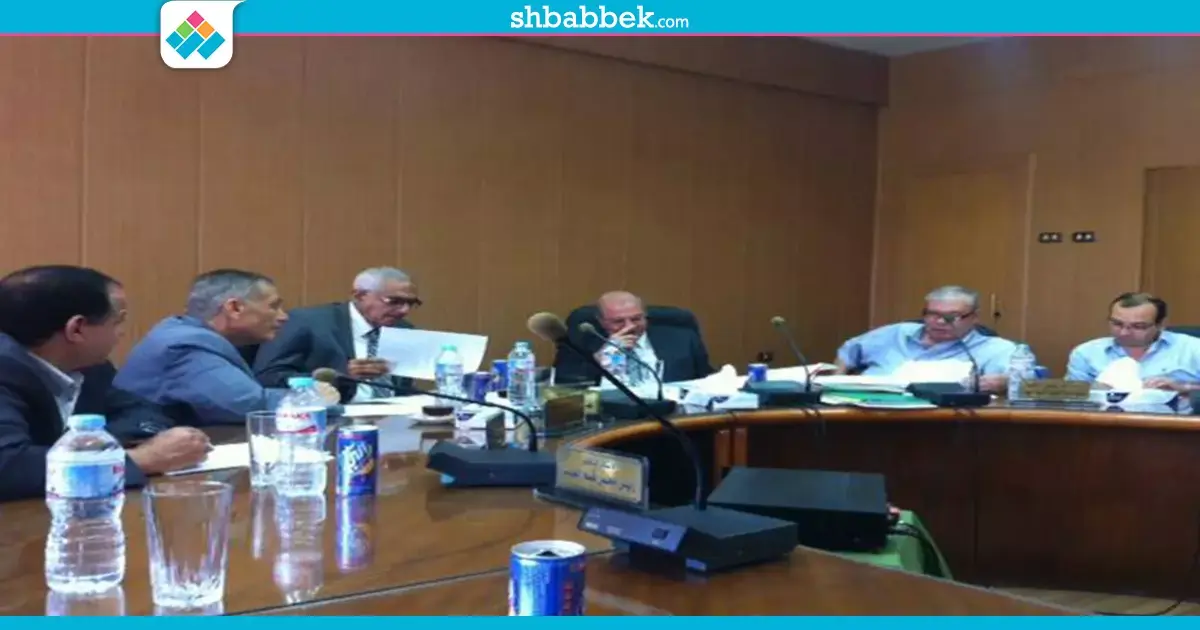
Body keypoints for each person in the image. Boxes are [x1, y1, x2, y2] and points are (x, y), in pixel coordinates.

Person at [0, 265, 209, 502]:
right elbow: (8, 467)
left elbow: (142, 412)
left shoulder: (89, 367)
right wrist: (144, 459)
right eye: (117, 321)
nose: (121, 333)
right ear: (77, 329)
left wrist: (90, 446)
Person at [114, 269, 339, 426]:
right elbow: (251, 405)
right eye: (273, 307)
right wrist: (314, 398)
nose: (283, 317)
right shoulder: (186, 346)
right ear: (234, 308)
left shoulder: (191, 334)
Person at [253, 267, 419, 402]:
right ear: (360, 296)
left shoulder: (403, 330)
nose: (404, 310)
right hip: (330, 416)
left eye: (411, 303)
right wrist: (340, 377)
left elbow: (402, 388)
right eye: (394, 301)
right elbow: (268, 377)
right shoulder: (307, 322)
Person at [834, 285, 1025, 393]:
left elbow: (1026, 383)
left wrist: (1006, 382)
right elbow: (848, 350)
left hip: (944, 426)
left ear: (974, 317)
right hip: (865, 415)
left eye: (952, 316)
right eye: (932, 314)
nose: (940, 322)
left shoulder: (997, 349)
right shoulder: (896, 333)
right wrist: (834, 382)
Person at [553, 291, 715, 386]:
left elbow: (706, 381)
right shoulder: (580, 344)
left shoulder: (683, 339)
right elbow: (565, 386)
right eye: (618, 321)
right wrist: (598, 360)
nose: (630, 326)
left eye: (637, 319)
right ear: (601, 321)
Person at [1065, 292, 1200, 391]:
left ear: (1161, 325)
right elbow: (1070, 399)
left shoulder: (1193, 348)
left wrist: (1183, 387)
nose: (1124, 332)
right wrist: (1094, 390)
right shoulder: (1086, 353)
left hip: (1173, 420)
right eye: (1117, 324)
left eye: (1138, 326)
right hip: (1104, 419)